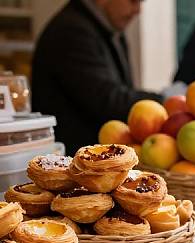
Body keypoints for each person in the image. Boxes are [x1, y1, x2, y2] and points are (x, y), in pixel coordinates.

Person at [32, 0, 162, 155]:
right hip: (74, 163)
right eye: (133, 1)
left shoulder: (105, 28)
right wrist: (164, 101)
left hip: (92, 159)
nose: (138, 10)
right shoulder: (72, 30)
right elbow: (107, 100)